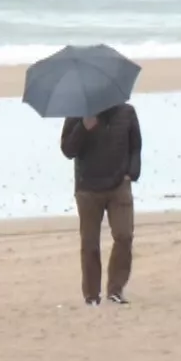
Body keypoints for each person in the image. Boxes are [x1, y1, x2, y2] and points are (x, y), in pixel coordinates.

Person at [60, 103, 141, 306]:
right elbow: (68, 150)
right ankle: (91, 295)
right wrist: (83, 127)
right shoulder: (77, 112)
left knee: (124, 236)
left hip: (119, 186)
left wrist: (131, 174)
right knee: (90, 243)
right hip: (88, 188)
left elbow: (136, 146)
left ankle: (115, 290)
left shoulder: (126, 112)